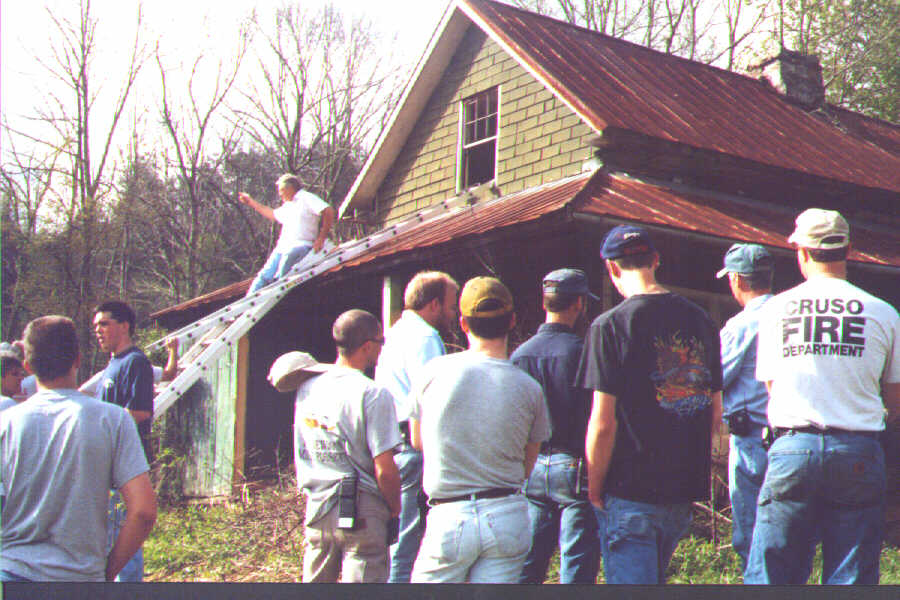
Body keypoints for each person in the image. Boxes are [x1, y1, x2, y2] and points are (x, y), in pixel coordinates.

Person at [745, 209, 900, 584]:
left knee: (773, 570)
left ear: (801, 252)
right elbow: (895, 401)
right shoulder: (884, 313)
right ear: (849, 248)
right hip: (858, 449)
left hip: (791, 445)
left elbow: (771, 385)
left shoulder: (776, 310)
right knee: (851, 574)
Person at [576, 225, 723, 584]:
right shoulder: (702, 320)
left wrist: (594, 487)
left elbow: (603, 422)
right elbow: (714, 411)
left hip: (629, 490)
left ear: (612, 269)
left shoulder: (609, 326)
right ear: (656, 260)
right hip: (681, 491)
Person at [409, 276, 551, 583]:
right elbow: (528, 465)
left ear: (462, 323)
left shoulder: (432, 372)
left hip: (448, 515)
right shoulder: (530, 388)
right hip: (506, 514)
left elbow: (417, 440)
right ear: (512, 321)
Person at [0, 316, 156, 582]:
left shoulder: (6, 422)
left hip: (12, 574)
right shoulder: (113, 420)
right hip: (81, 577)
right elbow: (143, 511)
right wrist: (108, 572)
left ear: (27, 366)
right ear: (78, 359)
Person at [293, 309, 402, 583]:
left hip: (318, 505)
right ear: (367, 346)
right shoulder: (373, 393)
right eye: (381, 342)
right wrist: (394, 508)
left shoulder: (306, 388)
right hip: (362, 508)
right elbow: (385, 470)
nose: (381, 349)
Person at [512, 268, 600, 584]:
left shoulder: (520, 356)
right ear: (579, 303)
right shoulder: (584, 354)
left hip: (531, 465)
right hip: (574, 465)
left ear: (544, 302)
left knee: (529, 562)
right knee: (575, 565)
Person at [374, 270, 459, 583]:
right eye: (451, 307)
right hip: (412, 444)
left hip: (391, 442)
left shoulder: (397, 332)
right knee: (409, 538)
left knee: (398, 534)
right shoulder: (424, 338)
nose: (453, 314)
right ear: (434, 304)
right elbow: (432, 398)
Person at [715, 243, 775, 574]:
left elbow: (716, 377)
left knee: (751, 534)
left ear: (737, 279)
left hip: (751, 436)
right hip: (790, 435)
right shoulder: (789, 313)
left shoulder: (741, 324)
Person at [93, 300, 155, 582]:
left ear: (125, 326)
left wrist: (96, 429)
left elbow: (141, 411)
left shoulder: (135, 362)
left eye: (104, 324)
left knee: (124, 541)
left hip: (126, 468)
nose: (98, 331)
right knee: (110, 539)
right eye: (96, 326)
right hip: (107, 467)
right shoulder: (113, 364)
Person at [240, 174, 336, 295]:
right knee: (264, 276)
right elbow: (272, 214)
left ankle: (275, 293)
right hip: (282, 248)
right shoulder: (288, 205)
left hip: (301, 246)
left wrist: (321, 237)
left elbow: (328, 211)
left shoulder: (306, 198)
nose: (279, 194)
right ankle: (248, 303)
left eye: (281, 190)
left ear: (290, 188)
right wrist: (250, 202)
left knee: (284, 269)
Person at [80, 337, 180, 395]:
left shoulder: (138, 367)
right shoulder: (104, 376)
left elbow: (169, 375)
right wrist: (173, 349)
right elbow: (169, 374)